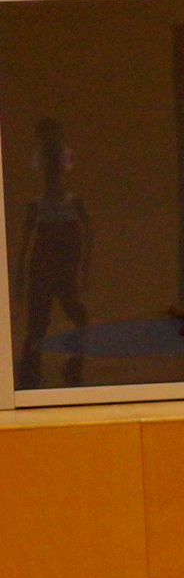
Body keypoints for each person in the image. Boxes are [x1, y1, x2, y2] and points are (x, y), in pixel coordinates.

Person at [16, 118, 89, 389]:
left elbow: (86, 236)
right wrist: (20, 276)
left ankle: (65, 366)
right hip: (46, 268)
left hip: (61, 268)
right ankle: (32, 371)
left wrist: (83, 272)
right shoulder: (40, 206)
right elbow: (28, 242)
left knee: (69, 315)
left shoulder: (69, 204)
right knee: (39, 320)